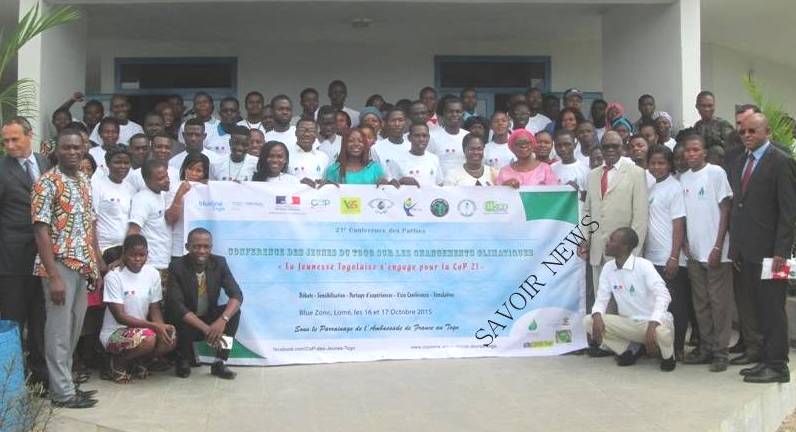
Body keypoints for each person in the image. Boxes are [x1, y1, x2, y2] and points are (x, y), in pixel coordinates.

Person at [32, 128, 104, 408]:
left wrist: (95, 263)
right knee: (59, 331)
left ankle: (67, 384)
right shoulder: (46, 183)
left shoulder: (84, 180)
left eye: (77, 147)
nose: (72, 152)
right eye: (66, 147)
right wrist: (53, 277)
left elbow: (89, 223)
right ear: (56, 150)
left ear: (84, 149)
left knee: (74, 328)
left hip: (82, 264)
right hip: (58, 264)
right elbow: (40, 231)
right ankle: (62, 393)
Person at [727, 113, 796, 383]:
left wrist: (781, 253)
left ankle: (778, 366)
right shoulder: (741, 161)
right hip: (748, 252)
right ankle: (766, 359)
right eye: (743, 131)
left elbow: (788, 213)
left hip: (775, 254)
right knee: (758, 307)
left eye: (753, 131)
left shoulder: (781, 161)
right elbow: (739, 208)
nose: (747, 135)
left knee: (773, 308)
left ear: (767, 132)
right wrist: (736, 248)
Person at [0, 117, 49, 386]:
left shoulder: (45, 162)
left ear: (29, 135)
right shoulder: (2, 169)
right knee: (14, 321)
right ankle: (14, 383)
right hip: (12, 260)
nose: (9, 145)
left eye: (14, 139)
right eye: (5, 141)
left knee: (40, 318)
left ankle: (40, 379)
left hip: (44, 259)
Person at [584, 227, 676, 371]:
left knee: (661, 333)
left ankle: (668, 358)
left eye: (612, 240)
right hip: (628, 323)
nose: (607, 243)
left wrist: (653, 324)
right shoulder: (608, 268)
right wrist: (597, 316)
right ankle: (629, 351)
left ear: (625, 247)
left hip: (652, 322)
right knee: (589, 321)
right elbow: (601, 299)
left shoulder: (643, 265)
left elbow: (664, 295)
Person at [679, 134, 733, 372]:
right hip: (694, 253)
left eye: (695, 150)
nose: (691, 154)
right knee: (701, 304)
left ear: (704, 152)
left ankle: (721, 352)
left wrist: (718, 245)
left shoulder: (716, 173)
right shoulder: (683, 178)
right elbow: (683, 214)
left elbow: (725, 209)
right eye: (687, 150)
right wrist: (684, 242)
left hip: (716, 252)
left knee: (719, 304)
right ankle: (707, 348)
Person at [580, 131, 648, 303]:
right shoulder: (593, 175)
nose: (610, 149)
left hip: (624, 253)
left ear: (622, 148)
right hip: (598, 252)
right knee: (602, 303)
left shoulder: (636, 173)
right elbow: (587, 211)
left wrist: (633, 253)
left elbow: (640, 218)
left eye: (614, 146)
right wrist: (584, 238)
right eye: (606, 146)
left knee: (626, 304)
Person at [166, 228, 243, 379]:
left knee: (234, 313)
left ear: (211, 248)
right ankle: (182, 358)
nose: (202, 251)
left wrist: (222, 320)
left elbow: (236, 295)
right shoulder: (176, 266)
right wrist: (207, 329)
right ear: (187, 247)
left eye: (206, 247)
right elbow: (177, 306)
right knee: (179, 316)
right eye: (196, 246)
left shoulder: (219, 263)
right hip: (187, 322)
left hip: (208, 318)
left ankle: (219, 362)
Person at [100, 234, 176, 383]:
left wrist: (161, 327)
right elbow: (120, 317)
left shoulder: (152, 273)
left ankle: (139, 361)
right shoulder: (114, 276)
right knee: (148, 338)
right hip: (115, 332)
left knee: (170, 337)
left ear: (147, 254)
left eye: (142, 255)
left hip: (143, 330)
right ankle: (117, 362)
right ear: (124, 254)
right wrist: (154, 327)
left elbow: (154, 309)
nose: (137, 259)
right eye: (132, 255)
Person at [644, 145, 690, 361]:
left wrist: (674, 256)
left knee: (677, 305)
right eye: (653, 163)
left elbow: (679, 223)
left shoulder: (674, 187)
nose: (656, 167)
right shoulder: (652, 187)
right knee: (660, 305)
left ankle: (678, 347)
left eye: (661, 163)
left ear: (670, 164)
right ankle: (663, 347)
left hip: (670, 258)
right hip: (652, 257)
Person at [128, 159, 173, 280]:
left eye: (166, 175)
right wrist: (125, 259)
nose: (167, 180)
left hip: (164, 260)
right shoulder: (142, 200)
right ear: (147, 181)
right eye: (160, 179)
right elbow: (133, 231)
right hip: (151, 264)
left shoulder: (162, 194)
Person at [167, 153, 210, 261]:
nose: (193, 173)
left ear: (204, 173)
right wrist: (180, 194)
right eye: (190, 169)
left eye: (198, 171)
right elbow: (170, 219)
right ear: (184, 169)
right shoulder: (174, 188)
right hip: (179, 246)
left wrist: (232, 186)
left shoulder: (210, 189)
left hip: (203, 249)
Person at [93, 146, 134, 255]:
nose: (122, 166)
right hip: (104, 249)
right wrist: (97, 255)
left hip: (126, 250)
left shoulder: (130, 188)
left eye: (126, 163)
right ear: (108, 163)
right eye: (117, 162)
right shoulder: (97, 186)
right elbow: (91, 222)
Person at [325, 128, 390, 185]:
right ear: (344, 144)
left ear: (365, 145)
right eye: (351, 141)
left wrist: (385, 184)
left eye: (360, 141)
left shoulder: (375, 169)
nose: (356, 144)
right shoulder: (334, 170)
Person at [429, 96, 468, 177]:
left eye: (458, 111)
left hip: (464, 182)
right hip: (440, 183)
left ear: (463, 114)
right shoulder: (432, 136)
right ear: (444, 114)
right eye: (450, 111)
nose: (454, 114)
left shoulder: (468, 136)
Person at [289, 118, 329, 183]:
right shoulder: (286, 155)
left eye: (311, 130)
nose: (306, 134)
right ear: (296, 132)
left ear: (316, 134)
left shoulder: (323, 157)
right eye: (302, 130)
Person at [551, 130, 589, 199]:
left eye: (567, 144)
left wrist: (577, 191)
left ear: (575, 145)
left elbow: (590, 198)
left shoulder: (585, 170)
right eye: (559, 145)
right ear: (555, 147)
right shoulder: (551, 169)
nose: (563, 149)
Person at [372, 108, 410, 175]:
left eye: (400, 120)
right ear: (386, 123)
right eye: (393, 120)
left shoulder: (412, 147)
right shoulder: (376, 148)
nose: (397, 124)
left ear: (406, 123)